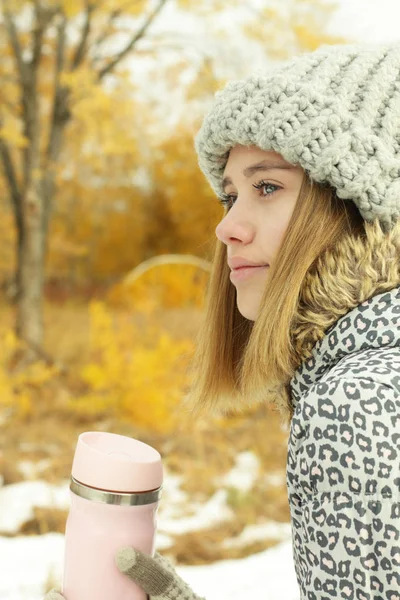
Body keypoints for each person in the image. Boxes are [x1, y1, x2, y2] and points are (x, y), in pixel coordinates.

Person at [46, 40, 400, 600]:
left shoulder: (355, 405)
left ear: (360, 204)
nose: (227, 227)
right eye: (229, 196)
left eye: (267, 187)